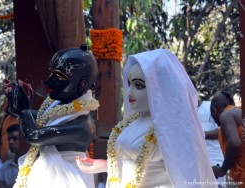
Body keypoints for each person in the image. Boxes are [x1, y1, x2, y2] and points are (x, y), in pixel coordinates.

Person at [76, 49, 217, 187]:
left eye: (139, 85)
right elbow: (130, 163)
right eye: (130, 84)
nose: (130, 92)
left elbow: (186, 173)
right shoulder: (131, 123)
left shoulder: (172, 127)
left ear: (160, 89)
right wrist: (102, 165)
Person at [4, 44, 99, 188]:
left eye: (59, 76)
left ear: (82, 84)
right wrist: (18, 108)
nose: (49, 81)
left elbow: (35, 135)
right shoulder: (58, 107)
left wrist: (23, 110)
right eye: (51, 73)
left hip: (69, 180)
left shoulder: (83, 125)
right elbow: (39, 119)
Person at [210, 90, 245, 188]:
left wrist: (222, 170)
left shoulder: (225, 115)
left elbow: (234, 142)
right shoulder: (238, 113)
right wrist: (202, 135)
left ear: (214, 110)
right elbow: (222, 132)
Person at [197, 100, 226, 187]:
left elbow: (224, 131)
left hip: (214, 163)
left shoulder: (210, 106)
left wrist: (200, 135)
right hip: (197, 167)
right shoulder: (184, 112)